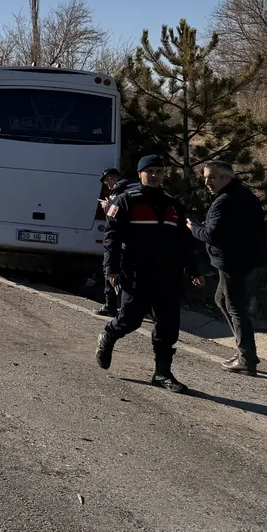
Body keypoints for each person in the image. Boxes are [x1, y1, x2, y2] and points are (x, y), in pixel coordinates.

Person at [95, 155, 201, 393]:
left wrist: (193, 269)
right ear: (140, 174)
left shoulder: (173, 204)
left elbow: (184, 242)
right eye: (150, 171)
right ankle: (109, 335)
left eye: (159, 172)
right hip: (136, 273)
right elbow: (111, 238)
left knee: (168, 325)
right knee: (129, 320)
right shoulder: (125, 201)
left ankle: (162, 373)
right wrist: (110, 268)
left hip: (168, 275)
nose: (154, 175)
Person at [187, 160, 266, 376]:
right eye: (205, 178)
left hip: (232, 261)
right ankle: (245, 351)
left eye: (212, 177)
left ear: (226, 178)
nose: (207, 183)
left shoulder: (225, 201)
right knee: (221, 299)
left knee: (235, 307)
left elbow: (212, 234)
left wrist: (193, 228)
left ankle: (246, 359)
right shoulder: (243, 195)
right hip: (241, 259)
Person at [93, 167, 135, 317]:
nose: (108, 186)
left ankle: (110, 305)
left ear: (112, 179)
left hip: (121, 240)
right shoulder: (136, 187)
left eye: (107, 182)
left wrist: (106, 207)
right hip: (139, 242)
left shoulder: (118, 192)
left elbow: (114, 219)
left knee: (110, 270)